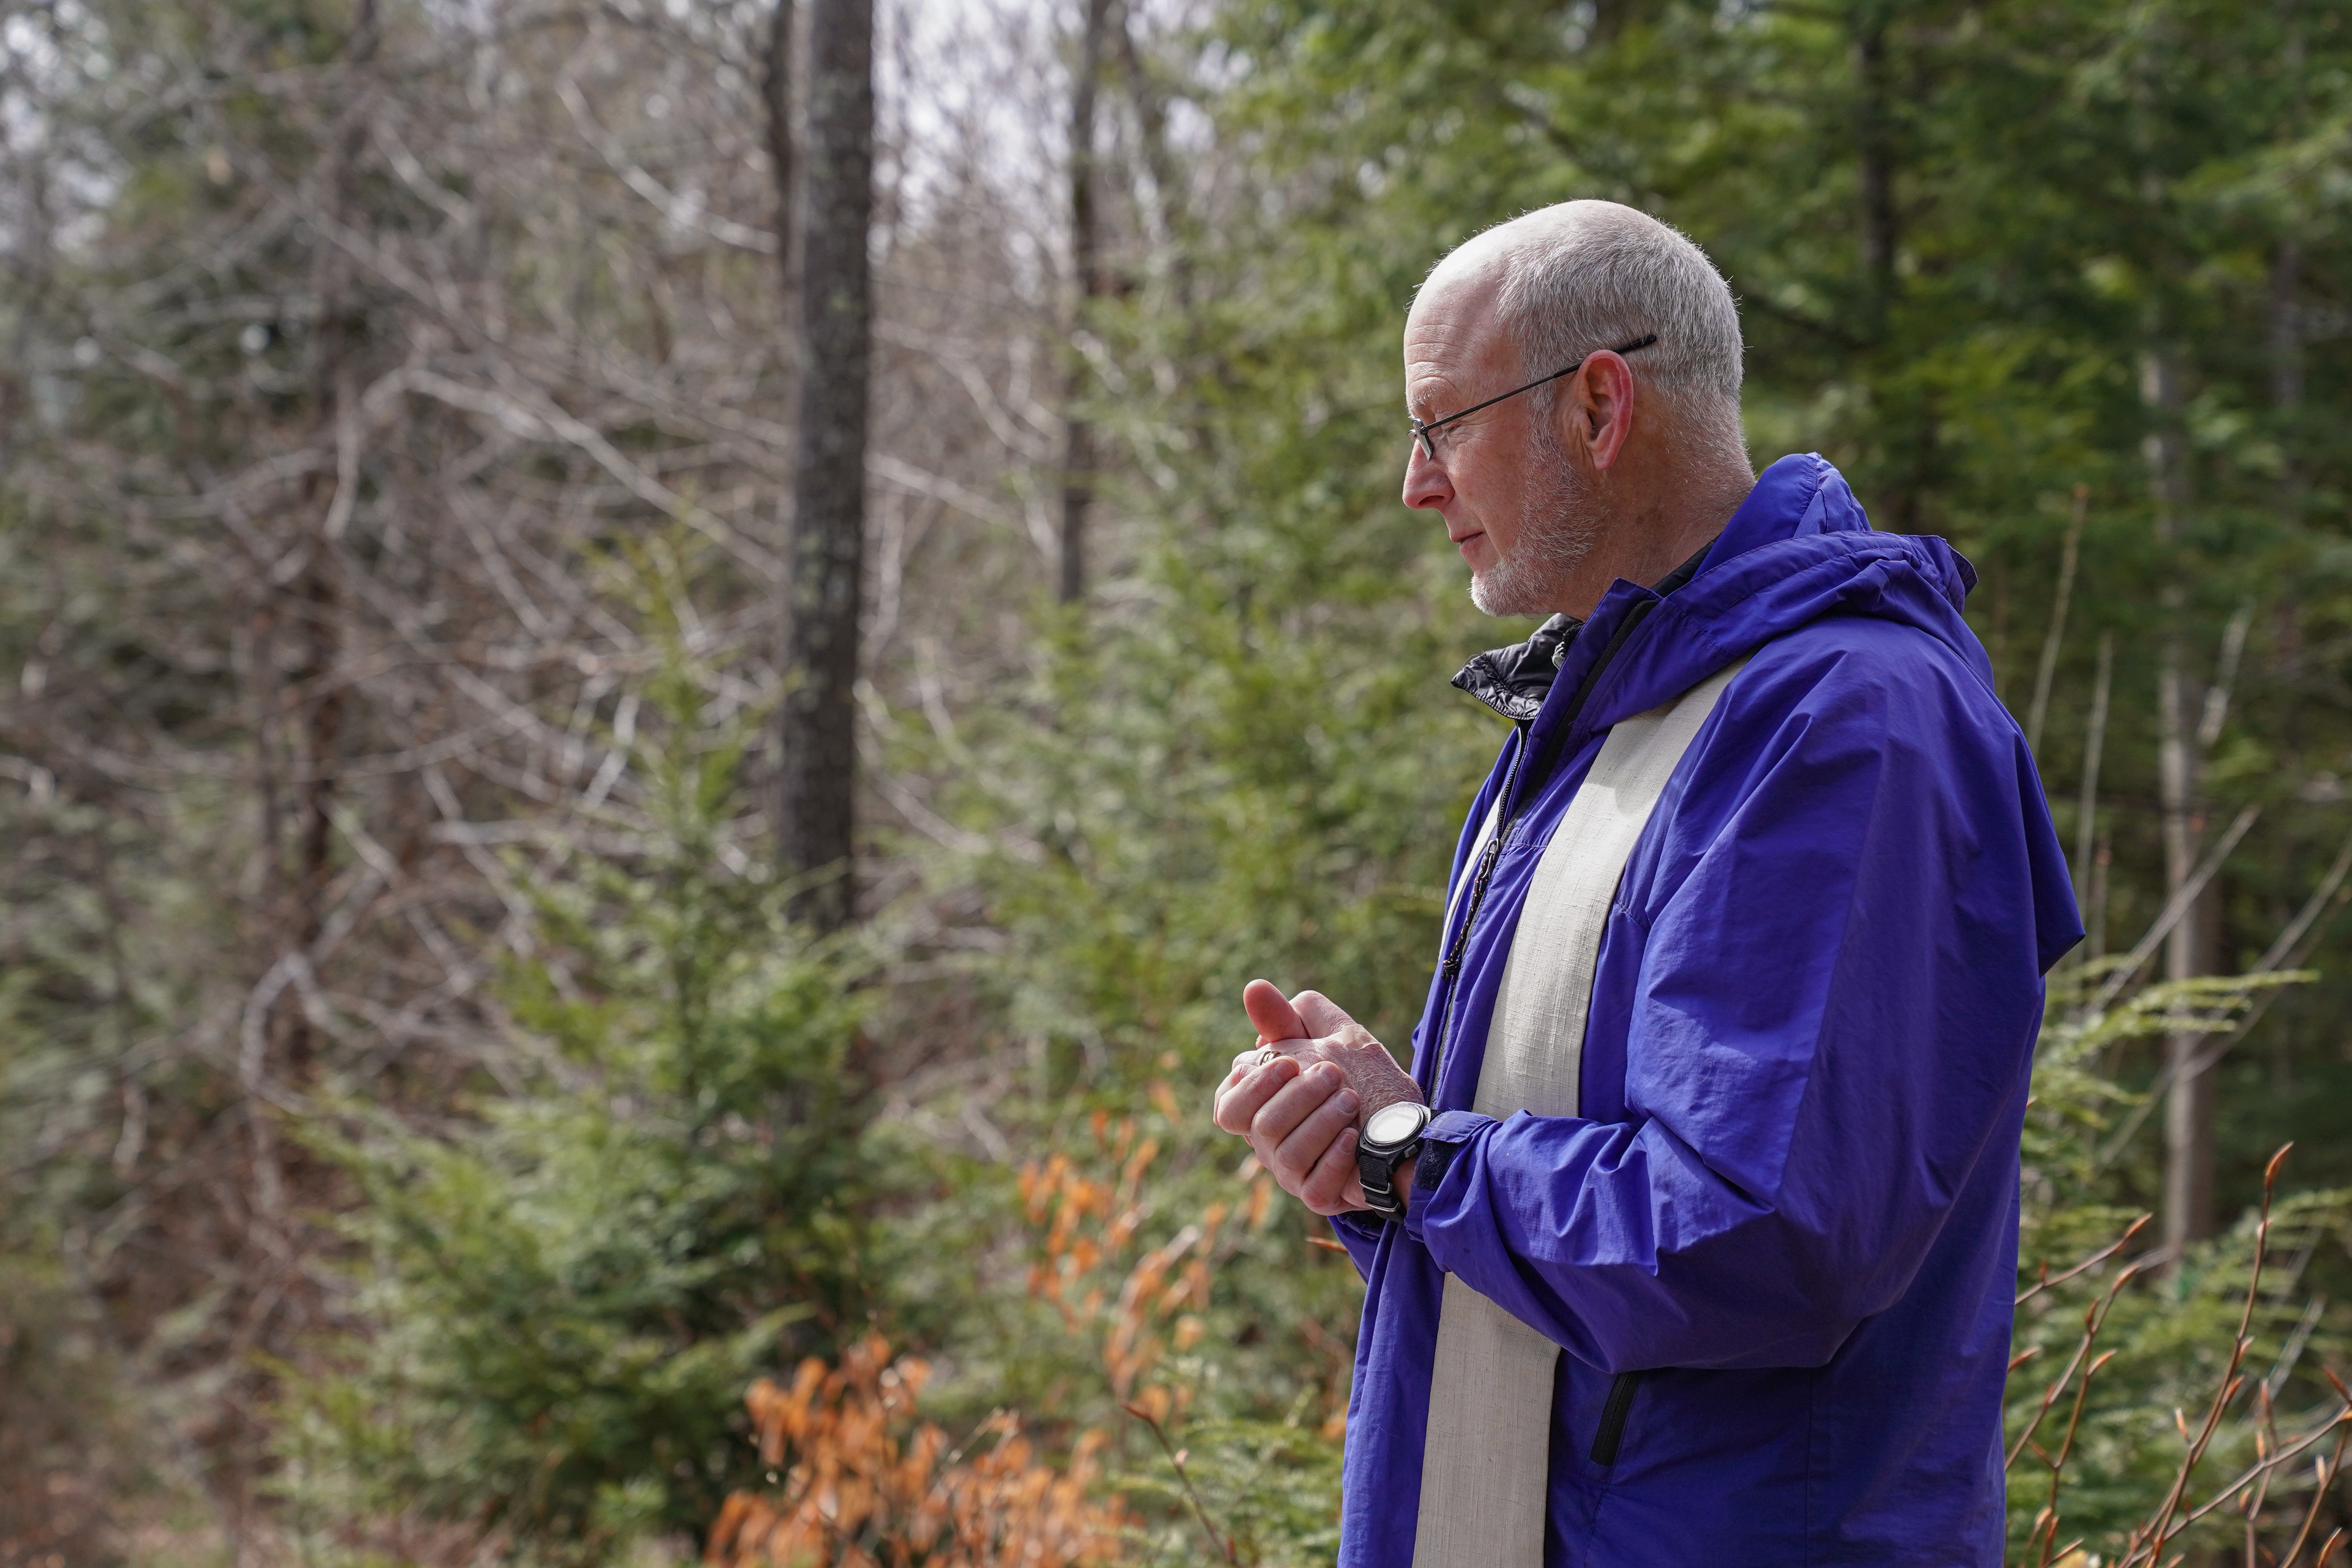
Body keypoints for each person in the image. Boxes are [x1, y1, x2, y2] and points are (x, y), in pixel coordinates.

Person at [1208, 200, 2081, 1567]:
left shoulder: (1846, 724)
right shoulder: (1590, 722)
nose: (1415, 484)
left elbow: (1758, 1235)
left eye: (1439, 423)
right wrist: (1376, 1172)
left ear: (1597, 405)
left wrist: (1415, 1152)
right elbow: (1545, 1244)